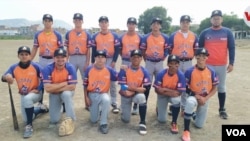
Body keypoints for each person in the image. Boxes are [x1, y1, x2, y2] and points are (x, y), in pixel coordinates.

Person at [1, 46, 48, 138]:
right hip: (24, 94)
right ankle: (41, 109)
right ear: (18, 56)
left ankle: (29, 126)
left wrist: (38, 89)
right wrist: (6, 77)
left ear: (30, 56)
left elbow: (45, 78)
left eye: (26, 54)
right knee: (26, 118)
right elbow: (3, 77)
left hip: (35, 93)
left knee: (27, 101)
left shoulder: (36, 66)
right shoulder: (14, 67)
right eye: (21, 54)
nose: (24, 56)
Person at [198, 10, 235, 120]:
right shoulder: (205, 32)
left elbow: (232, 48)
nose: (216, 20)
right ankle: (200, 108)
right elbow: (200, 49)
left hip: (221, 65)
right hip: (207, 65)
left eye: (218, 18)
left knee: (221, 87)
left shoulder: (227, 32)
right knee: (203, 86)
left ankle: (222, 109)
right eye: (214, 18)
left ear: (221, 19)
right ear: (211, 20)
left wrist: (231, 63)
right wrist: (200, 62)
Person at [181, 48, 219, 141]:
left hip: (205, 97)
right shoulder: (189, 71)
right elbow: (185, 87)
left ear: (207, 58)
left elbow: (215, 88)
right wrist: (196, 96)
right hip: (193, 96)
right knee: (190, 102)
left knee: (199, 125)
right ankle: (186, 131)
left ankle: (192, 114)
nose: (202, 58)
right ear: (196, 57)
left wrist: (205, 98)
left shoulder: (211, 71)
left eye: (204, 56)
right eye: (199, 55)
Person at [30, 14, 63, 110]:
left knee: (56, 80)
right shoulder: (38, 34)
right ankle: (40, 102)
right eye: (45, 20)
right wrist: (29, 60)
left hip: (54, 59)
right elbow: (35, 48)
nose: (47, 22)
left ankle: (60, 103)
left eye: (49, 21)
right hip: (42, 59)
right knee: (41, 80)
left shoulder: (57, 34)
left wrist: (60, 61)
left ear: (52, 22)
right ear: (43, 22)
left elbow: (61, 50)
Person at [168, 15, 199, 116]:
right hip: (176, 62)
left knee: (185, 84)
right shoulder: (174, 35)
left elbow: (196, 49)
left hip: (188, 61)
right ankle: (173, 104)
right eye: (183, 22)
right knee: (175, 82)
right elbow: (169, 49)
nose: (185, 24)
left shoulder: (194, 35)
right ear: (180, 23)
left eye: (187, 22)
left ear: (189, 24)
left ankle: (184, 106)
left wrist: (190, 57)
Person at [42, 48, 77, 136]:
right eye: (58, 57)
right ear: (54, 58)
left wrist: (55, 87)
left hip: (64, 92)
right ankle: (61, 106)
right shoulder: (48, 68)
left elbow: (72, 87)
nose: (60, 59)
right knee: (54, 120)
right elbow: (47, 89)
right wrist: (63, 84)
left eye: (63, 57)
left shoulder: (70, 67)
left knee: (66, 94)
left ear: (66, 58)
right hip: (54, 94)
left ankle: (71, 119)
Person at [91, 16, 121, 114]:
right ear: (99, 24)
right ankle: (100, 101)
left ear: (108, 24)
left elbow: (117, 49)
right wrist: (93, 62)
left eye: (105, 22)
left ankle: (113, 102)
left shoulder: (114, 35)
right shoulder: (95, 36)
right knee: (100, 81)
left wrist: (114, 61)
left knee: (112, 82)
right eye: (102, 22)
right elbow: (94, 51)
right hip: (99, 60)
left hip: (110, 59)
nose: (104, 24)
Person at [118, 49, 151, 135]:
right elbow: (122, 86)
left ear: (141, 59)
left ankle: (142, 122)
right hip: (126, 94)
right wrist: (137, 89)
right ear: (130, 58)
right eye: (134, 57)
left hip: (135, 95)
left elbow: (146, 88)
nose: (136, 59)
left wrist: (133, 90)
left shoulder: (144, 71)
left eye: (138, 57)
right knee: (126, 120)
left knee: (142, 97)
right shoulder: (124, 69)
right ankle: (124, 112)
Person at [140, 17, 169, 116]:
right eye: (154, 23)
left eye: (158, 23)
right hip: (149, 62)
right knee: (146, 84)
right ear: (151, 25)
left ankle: (158, 107)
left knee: (160, 85)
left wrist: (163, 58)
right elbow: (143, 50)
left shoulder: (165, 37)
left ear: (160, 26)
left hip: (159, 62)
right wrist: (146, 59)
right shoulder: (146, 37)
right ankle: (144, 105)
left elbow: (166, 50)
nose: (156, 25)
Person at [83, 50, 117, 134]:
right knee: (93, 120)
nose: (100, 59)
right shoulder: (89, 69)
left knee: (106, 99)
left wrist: (124, 69)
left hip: (103, 94)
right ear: (95, 58)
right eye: (98, 57)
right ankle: (99, 111)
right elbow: (85, 85)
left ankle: (103, 123)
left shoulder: (109, 69)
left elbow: (117, 77)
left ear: (105, 59)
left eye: (102, 57)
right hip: (92, 95)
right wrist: (86, 98)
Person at [153, 55, 186, 134]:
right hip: (162, 95)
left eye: (176, 63)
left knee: (177, 100)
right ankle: (159, 106)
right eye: (171, 63)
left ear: (178, 65)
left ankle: (174, 122)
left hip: (170, 95)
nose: (174, 66)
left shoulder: (181, 75)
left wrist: (164, 89)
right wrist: (170, 91)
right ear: (168, 64)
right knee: (162, 120)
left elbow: (179, 93)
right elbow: (157, 90)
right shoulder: (161, 73)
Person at [64, 13, 91, 107]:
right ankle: (67, 104)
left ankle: (87, 103)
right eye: (76, 19)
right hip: (72, 58)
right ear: (73, 21)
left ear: (82, 21)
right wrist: (65, 61)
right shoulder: (69, 33)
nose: (78, 21)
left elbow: (88, 50)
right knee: (69, 80)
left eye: (79, 20)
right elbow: (67, 49)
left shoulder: (87, 33)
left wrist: (87, 62)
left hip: (83, 57)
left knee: (86, 81)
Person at [119, 17, 143, 115]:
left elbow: (141, 50)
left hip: (136, 61)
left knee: (136, 82)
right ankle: (123, 103)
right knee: (123, 82)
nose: (131, 25)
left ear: (135, 25)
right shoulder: (122, 37)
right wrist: (124, 57)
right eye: (130, 23)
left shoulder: (139, 37)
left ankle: (135, 105)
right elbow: (120, 49)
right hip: (125, 60)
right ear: (127, 25)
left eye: (133, 24)